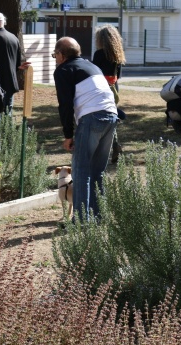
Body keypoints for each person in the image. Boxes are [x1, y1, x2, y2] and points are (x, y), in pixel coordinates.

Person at [53, 37, 118, 222]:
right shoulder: (91, 66)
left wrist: (68, 135)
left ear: (61, 54)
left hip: (91, 118)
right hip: (111, 117)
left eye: (54, 55)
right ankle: (98, 216)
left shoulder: (63, 70)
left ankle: (81, 221)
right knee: (96, 171)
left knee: (80, 171)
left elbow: (65, 105)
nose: (55, 59)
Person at [92, 24, 126, 164]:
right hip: (114, 88)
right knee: (111, 118)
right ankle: (115, 146)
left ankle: (103, 148)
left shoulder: (99, 54)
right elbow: (119, 76)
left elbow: (94, 73)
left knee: (99, 118)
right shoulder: (118, 54)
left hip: (101, 88)